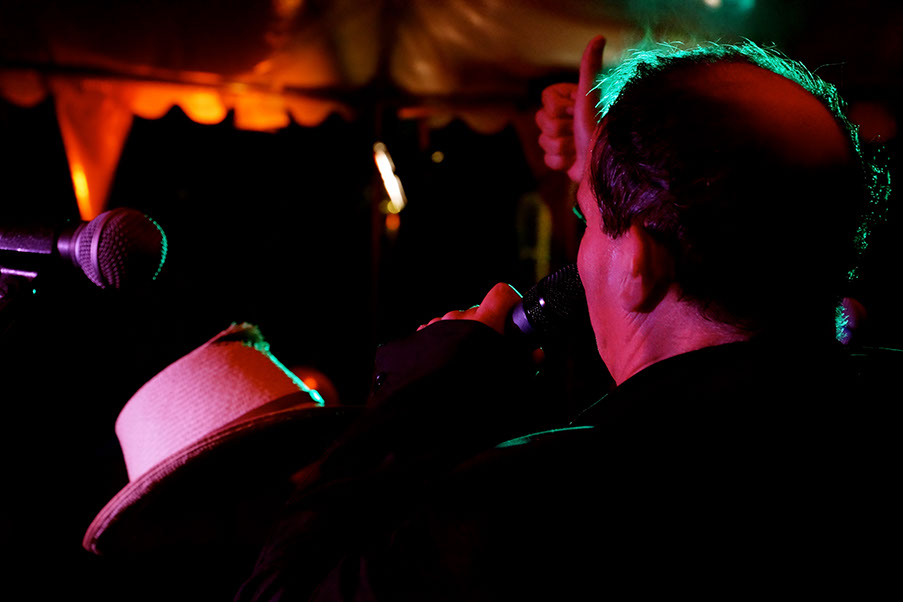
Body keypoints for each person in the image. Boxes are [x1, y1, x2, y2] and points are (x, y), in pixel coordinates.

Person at [235, 36, 891, 600]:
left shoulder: (543, 501)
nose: (580, 256)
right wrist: (614, 175)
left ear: (638, 263)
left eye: (588, 221)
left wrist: (420, 398)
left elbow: (279, 593)